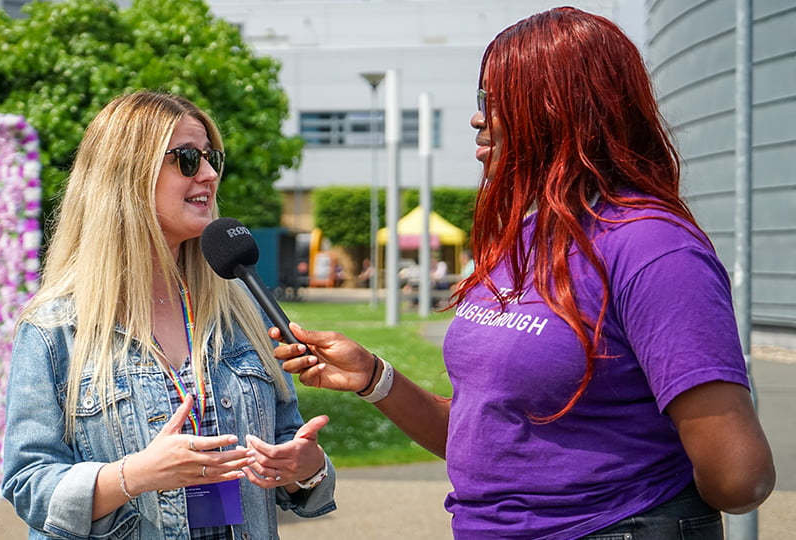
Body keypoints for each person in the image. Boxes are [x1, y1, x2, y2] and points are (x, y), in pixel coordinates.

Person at [271, 7, 774, 539]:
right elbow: (489, 441)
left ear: (562, 110)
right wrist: (375, 378)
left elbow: (738, 476)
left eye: (495, 100)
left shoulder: (653, 247)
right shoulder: (528, 238)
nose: (477, 118)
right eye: (479, 100)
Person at [2, 91, 336, 540]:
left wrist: (305, 467)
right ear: (127, 175)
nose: (211, 174)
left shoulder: (245, 307)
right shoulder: (54, 327)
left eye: (211, 157)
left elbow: (291, 451)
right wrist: (134, 475)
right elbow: (28, 485)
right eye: (187, 159)